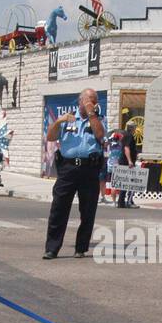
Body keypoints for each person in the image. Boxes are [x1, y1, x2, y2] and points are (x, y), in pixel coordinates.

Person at [42, 88, 105, 259]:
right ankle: (52, 248)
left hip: (89, 169)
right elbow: (50, 137)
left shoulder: (98, 119)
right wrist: (57, 122)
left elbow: (100, 135)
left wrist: (92, 113)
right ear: (81, 101)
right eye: (89, 100)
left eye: (95, 100)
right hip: (68, 169)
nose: (92, 103)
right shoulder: (68, 118)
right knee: (59, 208)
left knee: (88, 210)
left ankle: (81, 247)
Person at [118, 123, 139, 208]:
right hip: (126, 163)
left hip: (124, 161)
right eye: (135, 128)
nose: (135, 130)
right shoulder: (129, 136)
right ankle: (129, 201)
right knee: (130, 183)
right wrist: (130, 161)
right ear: (132, 128)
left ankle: (121, 202)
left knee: (124, 182)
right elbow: (126, 148)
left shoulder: (125, 135)